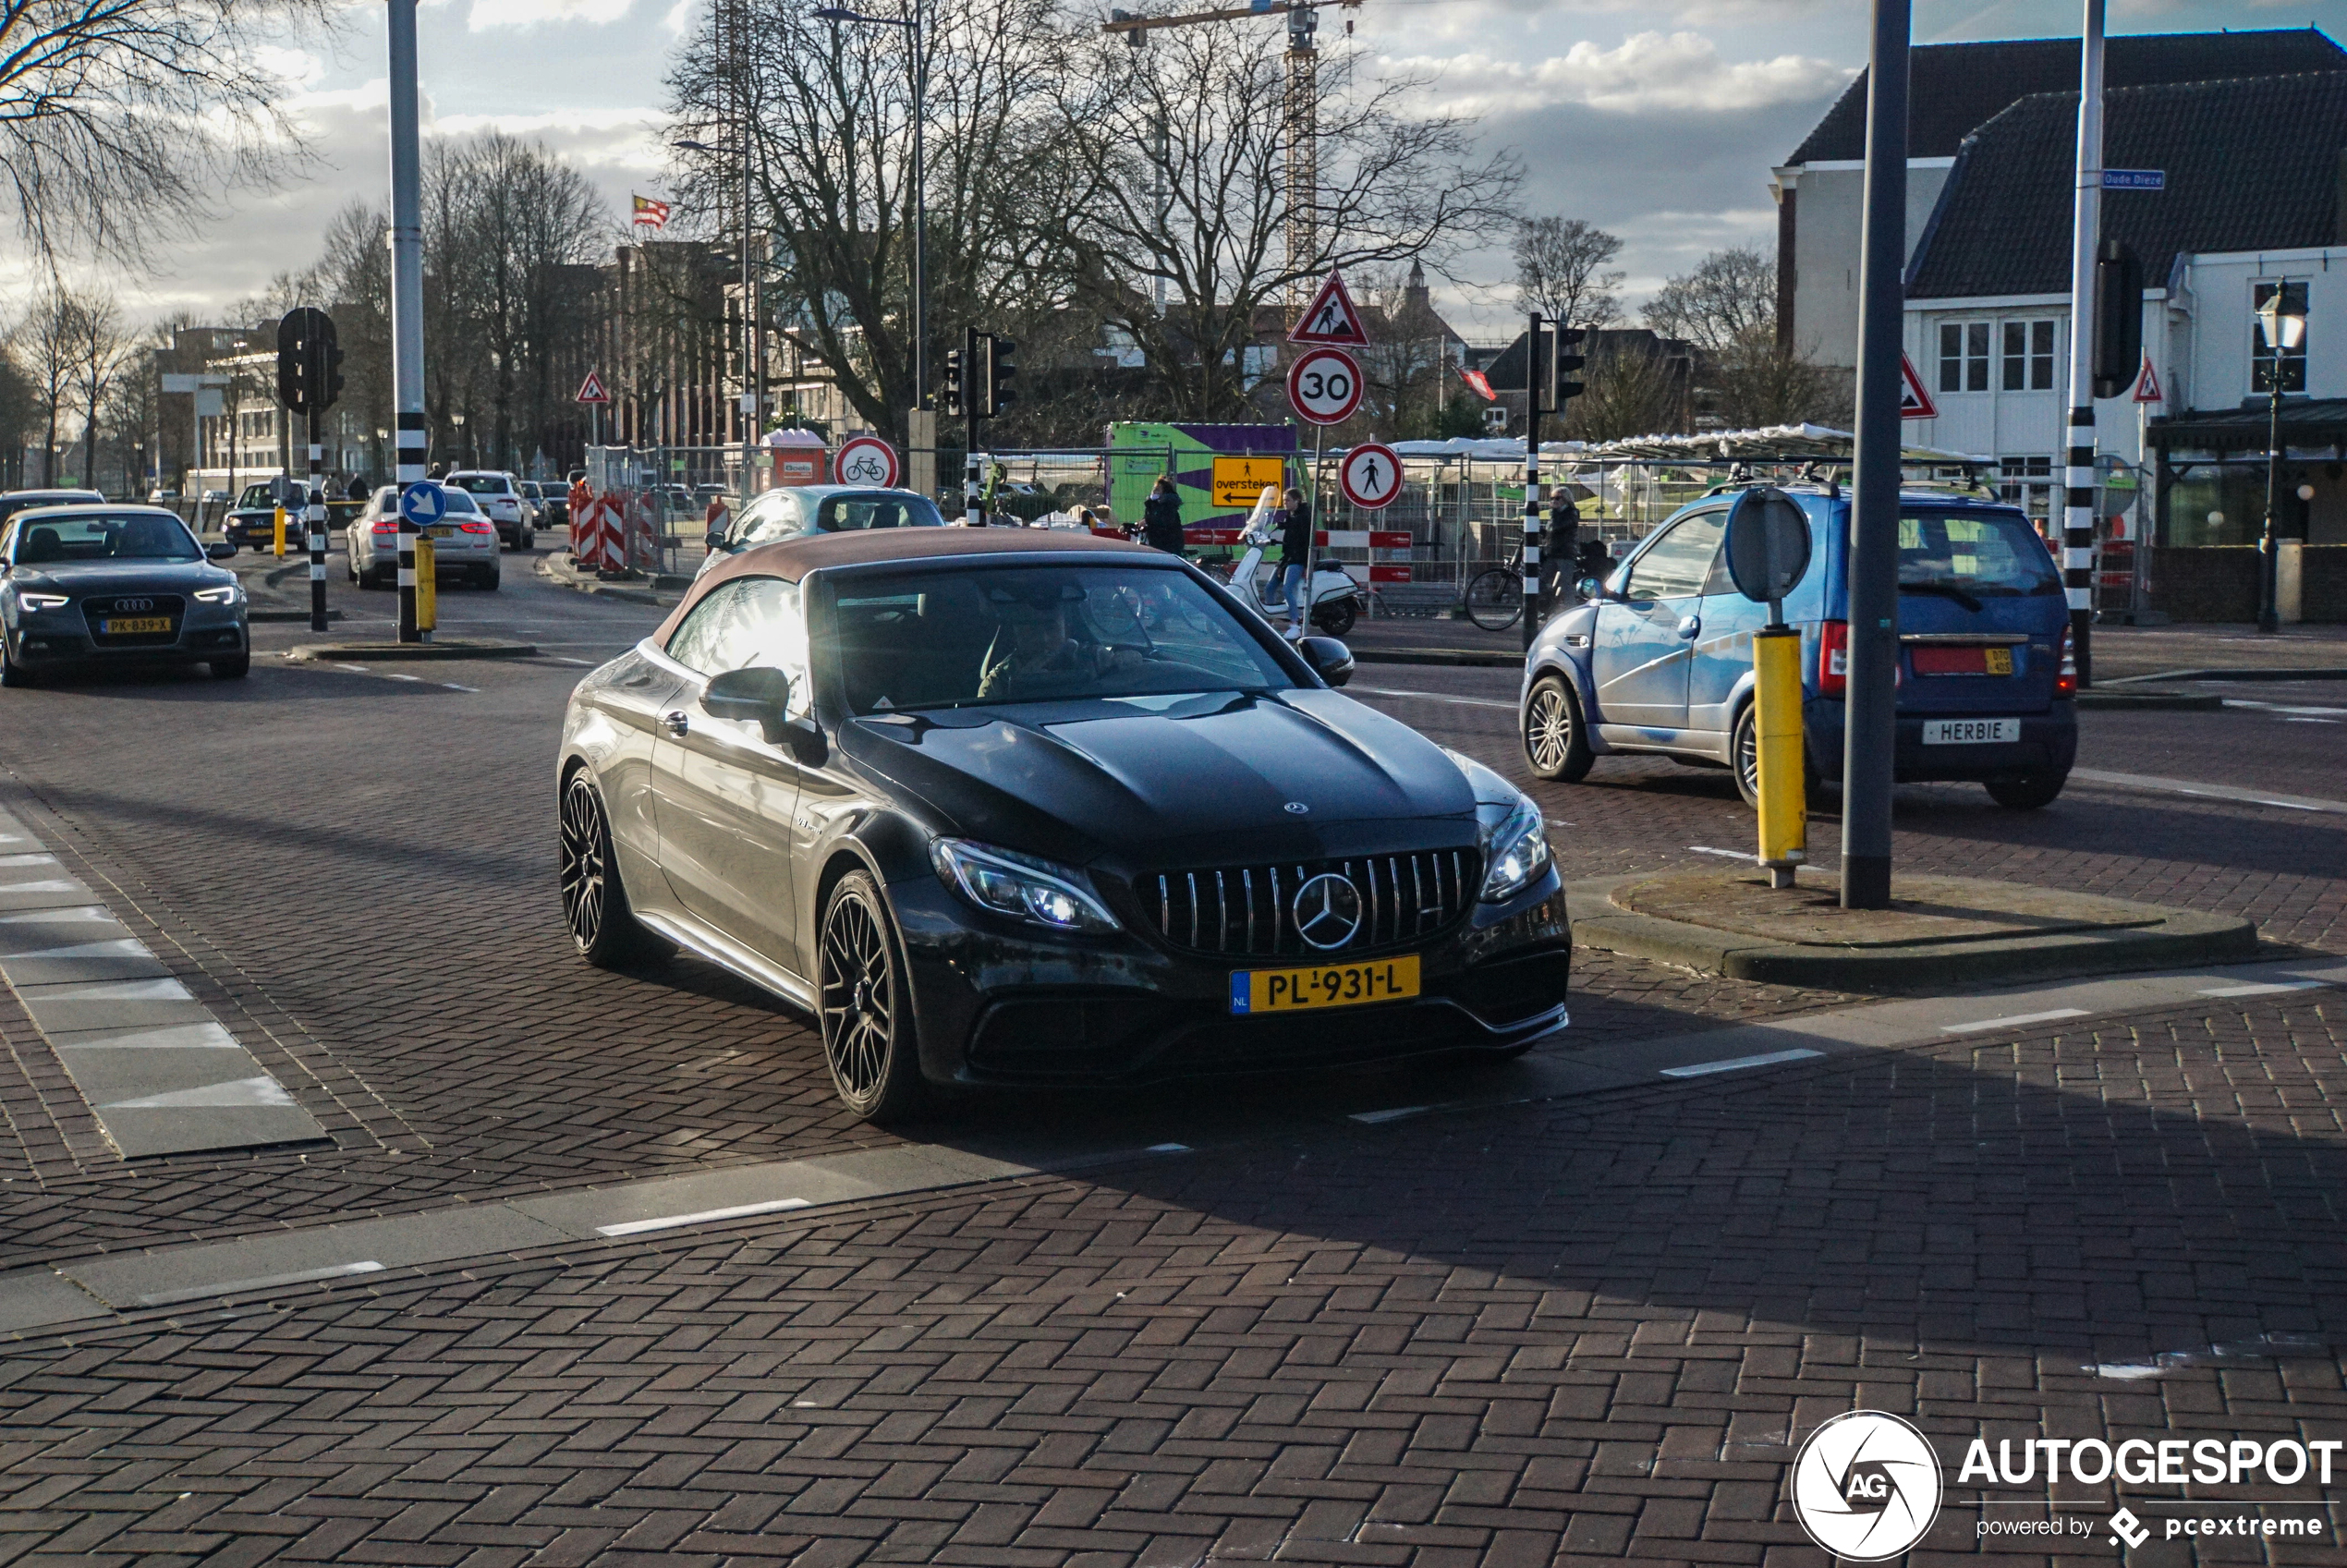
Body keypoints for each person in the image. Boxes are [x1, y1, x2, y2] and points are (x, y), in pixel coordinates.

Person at [1275, 485, 1312, 639]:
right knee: (1270, 588)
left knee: (1287, 589)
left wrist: (1306, 564)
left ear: (1297, 501)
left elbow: (1306, 541)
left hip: (1297, 559)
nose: (1285, 503)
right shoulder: (1291, 515)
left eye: (1287, 500)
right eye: (1284, 501)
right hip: (1288, 558)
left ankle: (1295, 625)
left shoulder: (1303, 517)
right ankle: (1270, 626)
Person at [1142, 474, 1186, 554]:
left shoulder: (1168, 505)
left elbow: (1164, 521)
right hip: (1155, 544)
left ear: (1164, 493)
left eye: (1158, 490)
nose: (1154, 492)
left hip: (1168, 546)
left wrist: (1147, 521)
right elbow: (1148, 520)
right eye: (1154, 489)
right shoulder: (1152, 505)